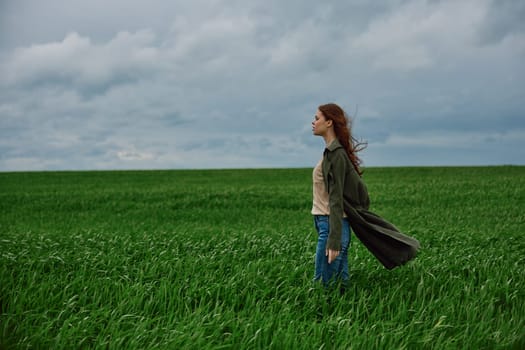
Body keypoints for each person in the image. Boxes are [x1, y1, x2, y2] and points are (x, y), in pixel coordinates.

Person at [311, 103, 420, 290]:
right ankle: (344, 316)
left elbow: (336, 198)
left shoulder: (336, 155)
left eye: (317, 118)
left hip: (331, 224)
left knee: (324, 286)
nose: (313, 122)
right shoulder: (332, 153)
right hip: (332, 223)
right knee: (341, 285)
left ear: (329, 122)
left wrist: (334, 239)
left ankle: (322, 317)